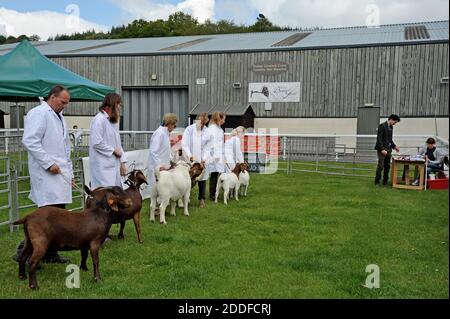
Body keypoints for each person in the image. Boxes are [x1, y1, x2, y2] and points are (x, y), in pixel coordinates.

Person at [14, 85, 73, 264]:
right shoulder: (38, 113)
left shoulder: (59, 116)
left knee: (59, 217)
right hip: (47, 174)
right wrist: (48, 164)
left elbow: (65, 148)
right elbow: (30, 141)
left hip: (60, 173)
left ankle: (50, 254)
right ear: (52, 97)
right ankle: (23, 252)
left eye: (66, 103)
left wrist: (69, 173)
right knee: (46, 219)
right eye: (63, 102)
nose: (64, 106)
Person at [89, 93, 127, 189]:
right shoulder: (99, 120)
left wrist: (122, 162)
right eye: (118, 104)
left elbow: (117, 143)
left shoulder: (113, 121)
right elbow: (96, 142)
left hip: (113, 165)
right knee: (105, 197)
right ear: (113, 104)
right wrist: (113, 150)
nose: (119, 107)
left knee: (115, 196)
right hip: (102, 167)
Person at [181, 112, 211, 208]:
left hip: (202, 159)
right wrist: (190, 156)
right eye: (200, 122)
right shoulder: (189, 130)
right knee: (188, 179)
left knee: (202, 179)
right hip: (190, 159)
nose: (201, 125)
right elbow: (185, 144)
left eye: (203, 123)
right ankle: (183, 198)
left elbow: (208, 147)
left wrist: (204, 159)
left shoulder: (207, 132)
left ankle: (201, 199)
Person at [147, 113, 178, 192]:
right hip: (158, 166)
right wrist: (159, 165)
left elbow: (165, 150)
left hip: (164, 166)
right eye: (174, 125)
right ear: (169, 124)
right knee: (155, 190)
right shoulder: (160, 133)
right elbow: (153, 151)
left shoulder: (165, 133)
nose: (175, 127)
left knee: (162, 189)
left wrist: (171, 161)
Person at [374, 114, 401, 186]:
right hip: (381, 149)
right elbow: (379, 139)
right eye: (395, 122)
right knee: (381, 165)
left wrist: (395, 146)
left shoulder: (391, 127)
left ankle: (385, 181)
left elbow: (389, 139)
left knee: (387, 165)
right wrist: (382, 149)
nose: (395, 124)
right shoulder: (382, 126)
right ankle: (377, 181)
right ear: (391, 119)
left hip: (388, 149)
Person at [205, 111, 226, 201]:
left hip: (218, 154)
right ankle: (212, 194)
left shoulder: (219, 129)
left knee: (216, 174)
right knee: (214, 174)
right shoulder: (212, 129)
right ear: (219, 119)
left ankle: (216, 193)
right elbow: (212, 143)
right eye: (223, 119)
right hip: (214, 155)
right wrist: (215, 155)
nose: (224, 121)